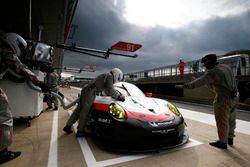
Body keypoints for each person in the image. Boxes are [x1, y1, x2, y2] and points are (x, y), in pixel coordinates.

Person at [0, 32, 49, 164]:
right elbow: (22, 69)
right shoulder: (6, 53)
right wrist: (41, 83)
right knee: (4, 117)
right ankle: (2, 153)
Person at [184, 54, 239, 149]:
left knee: (222, 120)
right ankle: (230, 138)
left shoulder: (213, 72)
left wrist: (188, 85)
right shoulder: (225, 67)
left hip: (223, 98)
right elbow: (215, 82)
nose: (206, 67)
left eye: (206, 65)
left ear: (209, 63)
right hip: (235, 95)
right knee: (231, 119)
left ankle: (222, 142)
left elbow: (201, 81)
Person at [63, 68, 125, 137]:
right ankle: (80, 131)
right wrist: (119, 96)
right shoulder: (110, 76)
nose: (117, 80)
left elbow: (108, 90)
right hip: (90, 92)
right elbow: (110, 89)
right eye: (118, 77)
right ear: (117, 74)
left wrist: (115, 95)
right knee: (85, 112)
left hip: (87, 90)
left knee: (78, 110)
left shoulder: (107, 75)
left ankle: (68, 126)